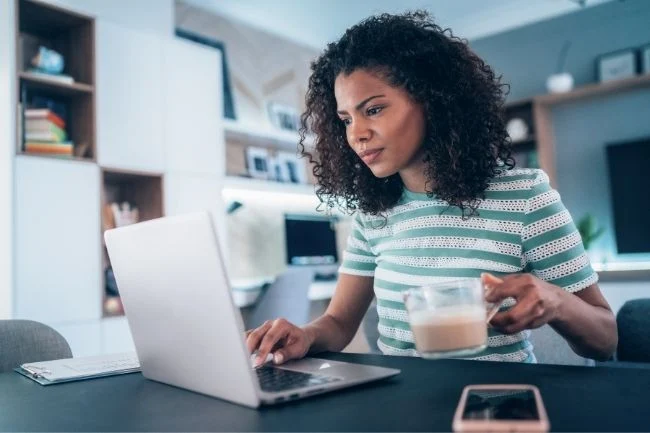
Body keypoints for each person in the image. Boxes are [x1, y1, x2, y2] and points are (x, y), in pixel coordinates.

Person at [246, 11, 617, 365]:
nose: (356, 134)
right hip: (405, 408)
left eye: (373, 110)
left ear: (433, 102)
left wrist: (556, 301)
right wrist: (306, 335)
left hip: (494, 407)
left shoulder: (525, 199)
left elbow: (606, 341)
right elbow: (339, 324)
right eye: (346, 119)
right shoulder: (373, 215)